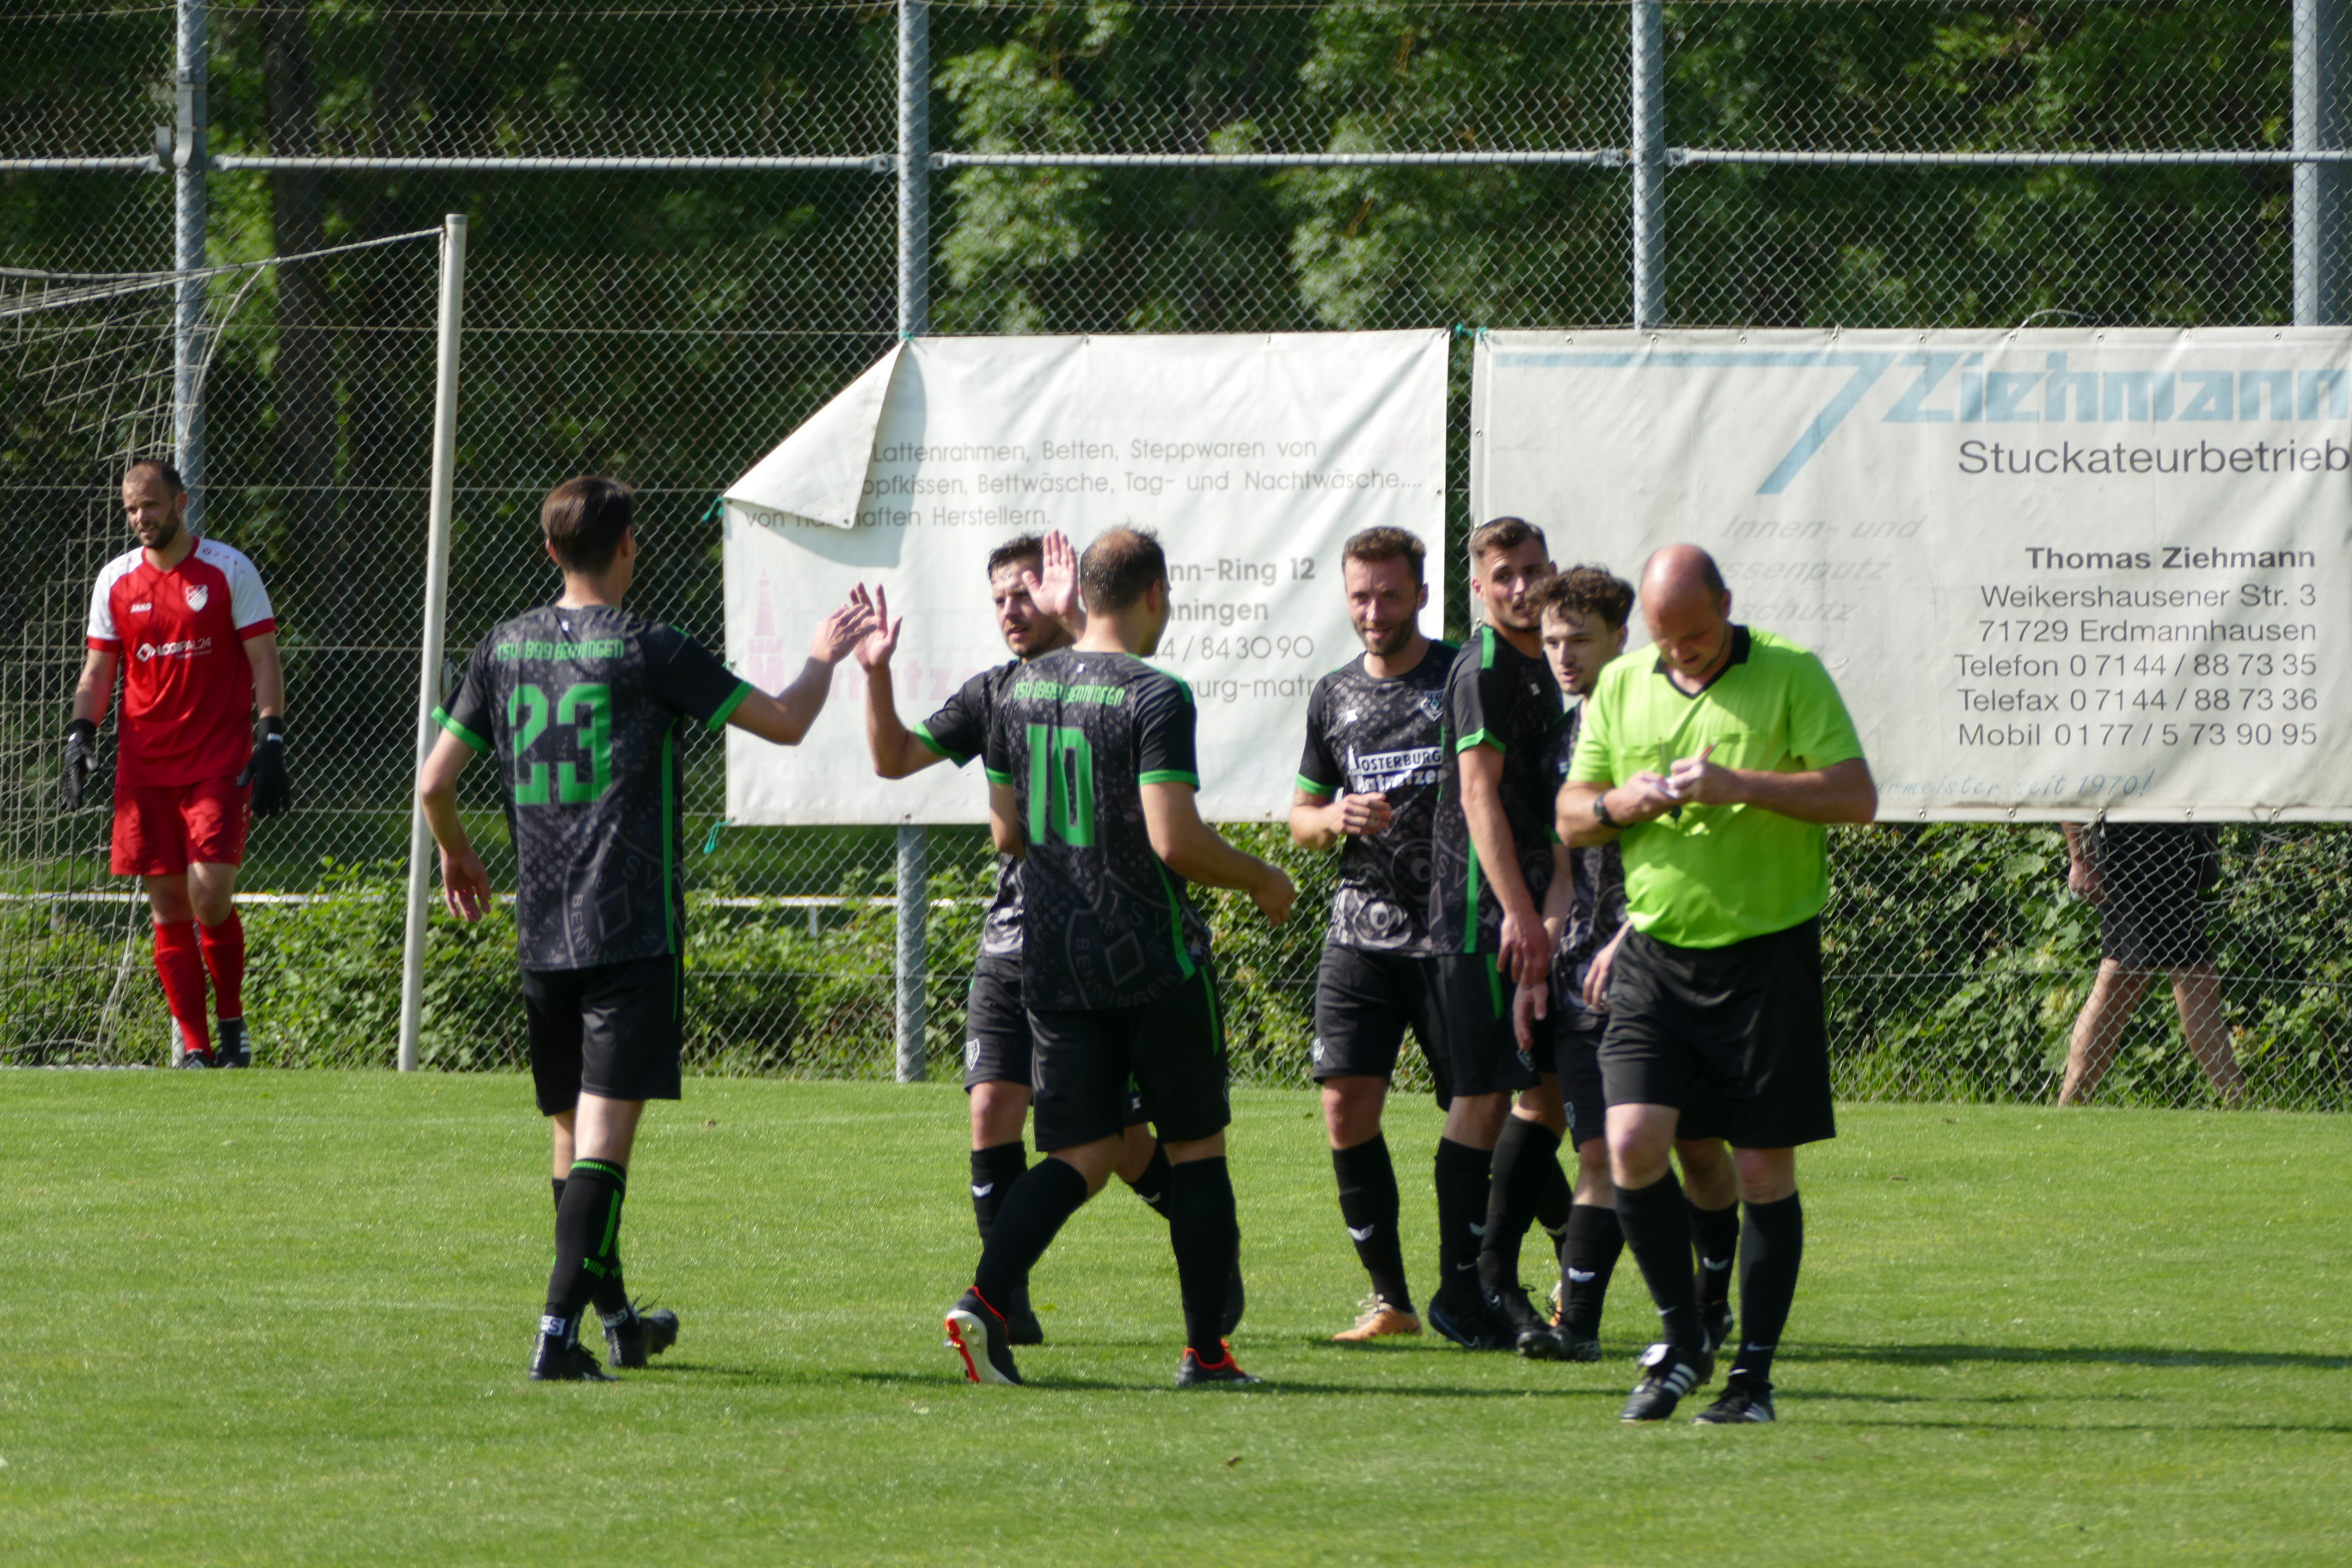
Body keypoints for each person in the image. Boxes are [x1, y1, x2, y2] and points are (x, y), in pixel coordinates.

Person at [417, 476, 877, 1381]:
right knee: (602, 1146)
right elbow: (786, 722)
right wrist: (823, 657)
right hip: (629, 934)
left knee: (570, 1138)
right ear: (629, 544)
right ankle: (556, 1338)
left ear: (550, 551)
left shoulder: (502, 646)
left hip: (543, 933)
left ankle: (618, 1320)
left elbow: (435, 783)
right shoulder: (649, 648)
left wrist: (456, 853)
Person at [945, 527, 1295, 1388]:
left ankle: (985, 1300)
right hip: (1151, 958)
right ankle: (1206, 1353)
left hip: (1053, 961)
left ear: (1081, 597)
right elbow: (1175, 841)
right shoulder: (1155, 693)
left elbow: (1008, 832)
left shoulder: (1019, 690)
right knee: (1196, 1149)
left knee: (1080, 1155)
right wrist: (1261, 878)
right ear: (1154, 595)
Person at [856, 531, 1219, 1347]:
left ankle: (1203, 1245)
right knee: (994, 1109)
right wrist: (875, 673)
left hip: (1102, 950)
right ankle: (1005, 1304)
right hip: (1015, 942)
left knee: (1118, 1144)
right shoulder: (996, 692)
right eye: (998, 600)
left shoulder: (1117, 688)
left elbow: (1019, 829)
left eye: (1025, 592)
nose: (1011, 611)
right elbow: (894, 758)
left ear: (1066, 592)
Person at [1559, 544, 1875, 1425]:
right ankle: (1683, 1341)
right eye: (1665, 639)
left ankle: (1752, 1382)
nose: (1682, 652)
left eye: (1695, 635)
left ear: (1726, 605)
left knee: (1763, 1168)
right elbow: (1572, 814)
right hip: (1655, 956)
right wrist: (1621, 806)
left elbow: (1855, 796)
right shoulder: (1623, 685)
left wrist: (1742, 785)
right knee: (1630, 1144)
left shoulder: (1790, 671)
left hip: (1766, 957)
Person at [1494, 567, 1745, 1363]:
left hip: (1673, 961)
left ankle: (1713, 1298)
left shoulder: (1664, 718)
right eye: (1551, 642)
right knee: (1600, 1149)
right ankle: (1579, 1326)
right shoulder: (1561, 743)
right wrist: (1540, 964)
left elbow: (1695, 856)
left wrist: (1632, 932)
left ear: (1622, 639)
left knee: (1698, 1148)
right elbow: (1566, 872)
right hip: (1584, 977)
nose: (1562, 656)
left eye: (1580, 640)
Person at [65, 459, 289, 1069]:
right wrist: (81, 733)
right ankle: (194, 1046)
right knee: (166, 905)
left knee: (209, 895)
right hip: (144, 767)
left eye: (151, 506)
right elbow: (99, 670)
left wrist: (271, 737)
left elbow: (265, 658)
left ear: (181, 503)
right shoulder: (115, 580)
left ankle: (232, 1021)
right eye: (131, 509)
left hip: (217, 760)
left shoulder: (229, 569)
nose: (141, 518)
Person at [1289, 526, 1455, 1344]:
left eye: (1390, 594)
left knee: (1484, 1115)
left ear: (1421, 594)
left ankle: (1561, 1259)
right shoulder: (1333, 695)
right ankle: (1392, 1301)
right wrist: (1333, 817)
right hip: (1360, 934)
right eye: (1360, 595)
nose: (1374, 611)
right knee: (1343, 1108)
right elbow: (1300, 818)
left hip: (1455, 935)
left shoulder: (1460, 678)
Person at [1420, 517, 1564, 1351]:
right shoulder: (1483, 666)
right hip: (1482, 914)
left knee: (1543, 1096)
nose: (1520, 586)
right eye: (1503, 574)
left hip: (1533, 908)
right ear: (1476, 586)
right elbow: (1479, 794)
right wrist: (1516, 909)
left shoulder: (1546, 658)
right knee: (1482, 1098)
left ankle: (1503, 1278)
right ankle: (1460, 1292)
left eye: (1532, 570)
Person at [2060, 823, 2244, 1107]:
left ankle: (2240, 1103)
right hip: (2130, 846)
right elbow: (2074, 798)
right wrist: (2081, 859)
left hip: (2178, 841)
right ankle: (2239, 1102)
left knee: (2187, 979)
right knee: (2128, 976)